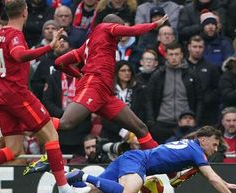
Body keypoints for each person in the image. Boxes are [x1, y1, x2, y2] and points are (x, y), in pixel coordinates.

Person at [0, 0, 82, 193]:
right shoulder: (15, 35)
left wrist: (1, 68)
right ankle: (64, 189)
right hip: (17, 94)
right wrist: (49, 47)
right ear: (24, 12)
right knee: (51, 136)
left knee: (14, 149)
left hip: (1, 95)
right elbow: (19, 55)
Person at [52, 14, 168, 151]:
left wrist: (78, 75)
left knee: (140, 128)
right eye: (119, 30)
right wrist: (155, 24)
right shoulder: (104, 28)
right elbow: (133, 31)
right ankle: (29, 123)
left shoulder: (89, 44)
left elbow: (60, 63)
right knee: (66, 123)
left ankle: (163, 165)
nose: (120, 37)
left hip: (105, 93)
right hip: (94, 85)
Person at [66, 126, 236, 193]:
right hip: (138, 161)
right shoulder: (196, 151)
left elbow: (210, 176)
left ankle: (69, 176)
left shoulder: (191, 147)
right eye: (214, 144)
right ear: (203, 140)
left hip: (131, 158)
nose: (215, 149)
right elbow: (211, 177)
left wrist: (225, 183)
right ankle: (83, 174)